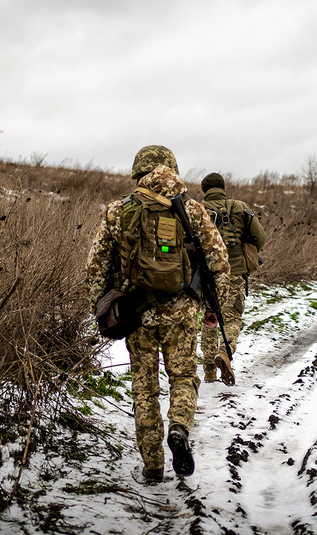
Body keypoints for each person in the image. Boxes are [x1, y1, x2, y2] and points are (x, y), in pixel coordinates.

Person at [85, 145, 230, 484]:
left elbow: (94, 268)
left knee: (144, 389)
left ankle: (152, 466)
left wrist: (102, 311)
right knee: (182, 377)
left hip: (137, 314)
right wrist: (212, 308)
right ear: (173, 170)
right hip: (181, 314)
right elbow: (219, 262)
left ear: (138, 173)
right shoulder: (192, 210)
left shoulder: (117, 211)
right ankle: (179, 427)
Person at [199, 172, 267, 386]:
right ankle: (225, 353)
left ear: (204, 190)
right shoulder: (239, 206)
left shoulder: (196, 209)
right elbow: (260, 237)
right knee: (232, 316)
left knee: (209, 317)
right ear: (223, 188)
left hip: (206, 272)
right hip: (235, 271)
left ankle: (209, 369)